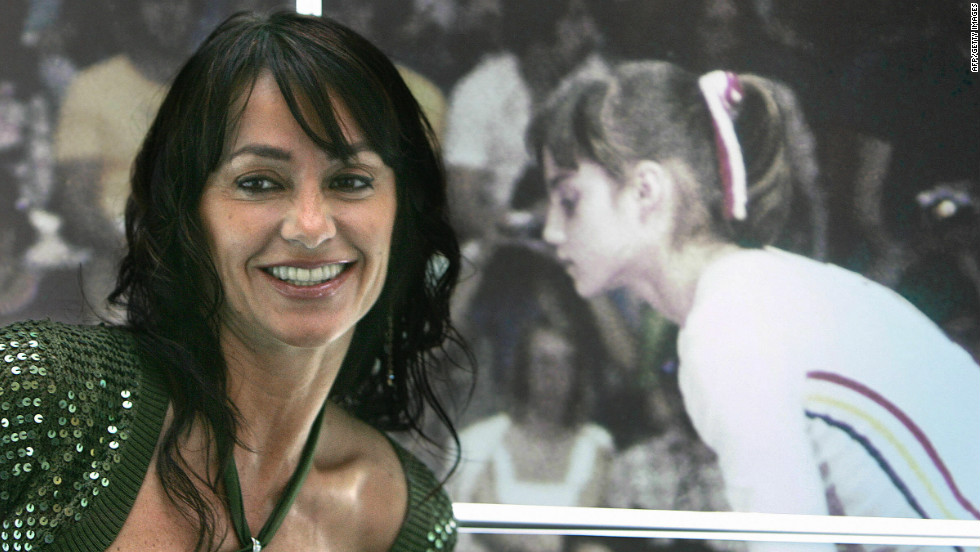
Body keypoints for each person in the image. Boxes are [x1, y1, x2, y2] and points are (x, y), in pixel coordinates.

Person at [0, 11, 464, 552]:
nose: (310, 227)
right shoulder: (43, 398)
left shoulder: (400, 518)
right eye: (260, 182)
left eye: (351, 181)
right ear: (187, 212)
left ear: (403, 213)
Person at [527, 61, 980, 551]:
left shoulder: (728, 328)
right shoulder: (752, 290)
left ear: (645, 191)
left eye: (569, 199)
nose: (550, 230)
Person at [451, 244, 615, 552]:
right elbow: (487, 527)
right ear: (523, 368)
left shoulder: (596, 444)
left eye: (567, 362)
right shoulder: (478, 443)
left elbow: (585, 533)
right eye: (544, 362)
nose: (555, 376)